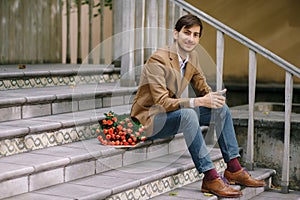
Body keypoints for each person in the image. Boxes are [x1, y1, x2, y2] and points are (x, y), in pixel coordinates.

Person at [130, 14, 265, 198]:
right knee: (188, 115)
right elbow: (162, 102)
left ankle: (233, 169)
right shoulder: (158, 60)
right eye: (187, 33)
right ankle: (210, 177)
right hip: (149, 120)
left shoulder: (192, 57)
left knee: (221, 109)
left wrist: (213, 98)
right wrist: (199, 102)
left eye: (195, 35)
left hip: (170, 116)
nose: (191, 39)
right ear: (175, 34)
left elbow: (202, 87)